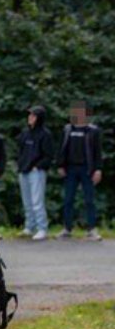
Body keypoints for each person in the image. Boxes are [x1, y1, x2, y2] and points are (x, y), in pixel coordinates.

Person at [57, 101, 104, 241]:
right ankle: (67, 229)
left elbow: (98, 152)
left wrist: (98, 170)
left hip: (87, 169)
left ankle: (92, 229)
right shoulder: (67, 129)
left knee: (89, 200)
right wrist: (60, 165)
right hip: (70, 169)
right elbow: (62, 148)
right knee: (68, 200)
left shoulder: (93, 131)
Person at [16, 105, 54, 241]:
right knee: (27, 201)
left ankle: (42, 228)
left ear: (39, 118)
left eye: (33, 115)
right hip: (24, 170)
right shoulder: (25, 133)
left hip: (37, 172)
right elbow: (20, 150)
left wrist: (37, 167)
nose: (30, 118)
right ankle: (29, 227)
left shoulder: (45, 134)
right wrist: (20, 165)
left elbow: (48, 155)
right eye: (29, 115)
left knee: (37, 201)